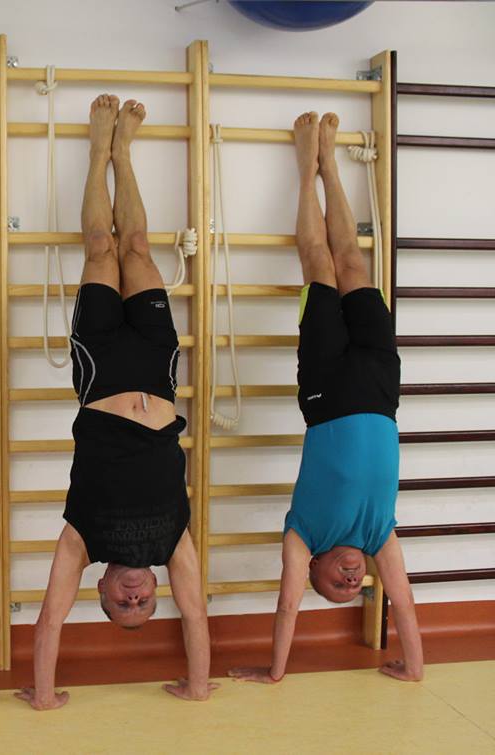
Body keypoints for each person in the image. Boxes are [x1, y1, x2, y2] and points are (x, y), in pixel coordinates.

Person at [16, 96, 216, 712]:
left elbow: (50, 618)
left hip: (101, 368)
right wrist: (198, 686)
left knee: (101, 249)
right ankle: (122, 152)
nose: (134, 597)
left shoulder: (83, 539)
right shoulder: (174, 543)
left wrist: (44, 695)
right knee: (139, 248)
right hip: (156, 370)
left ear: (99, 589)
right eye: (143, 604)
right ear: (155, 588)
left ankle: (96, 150)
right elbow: (196, 616)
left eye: (122, 604)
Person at [229, 112, 423, 686]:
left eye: (334, 585)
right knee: (355, 263)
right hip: (381, 389)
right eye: (353, 587)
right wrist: (414, 668)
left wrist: (275, 672)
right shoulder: (378, 534)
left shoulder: (303, 535)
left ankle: (306, 163)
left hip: (326, 391)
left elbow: (287, 605)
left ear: (312, 567)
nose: (350, 580)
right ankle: (331, 164)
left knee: (318, 263)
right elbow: (404, 600)